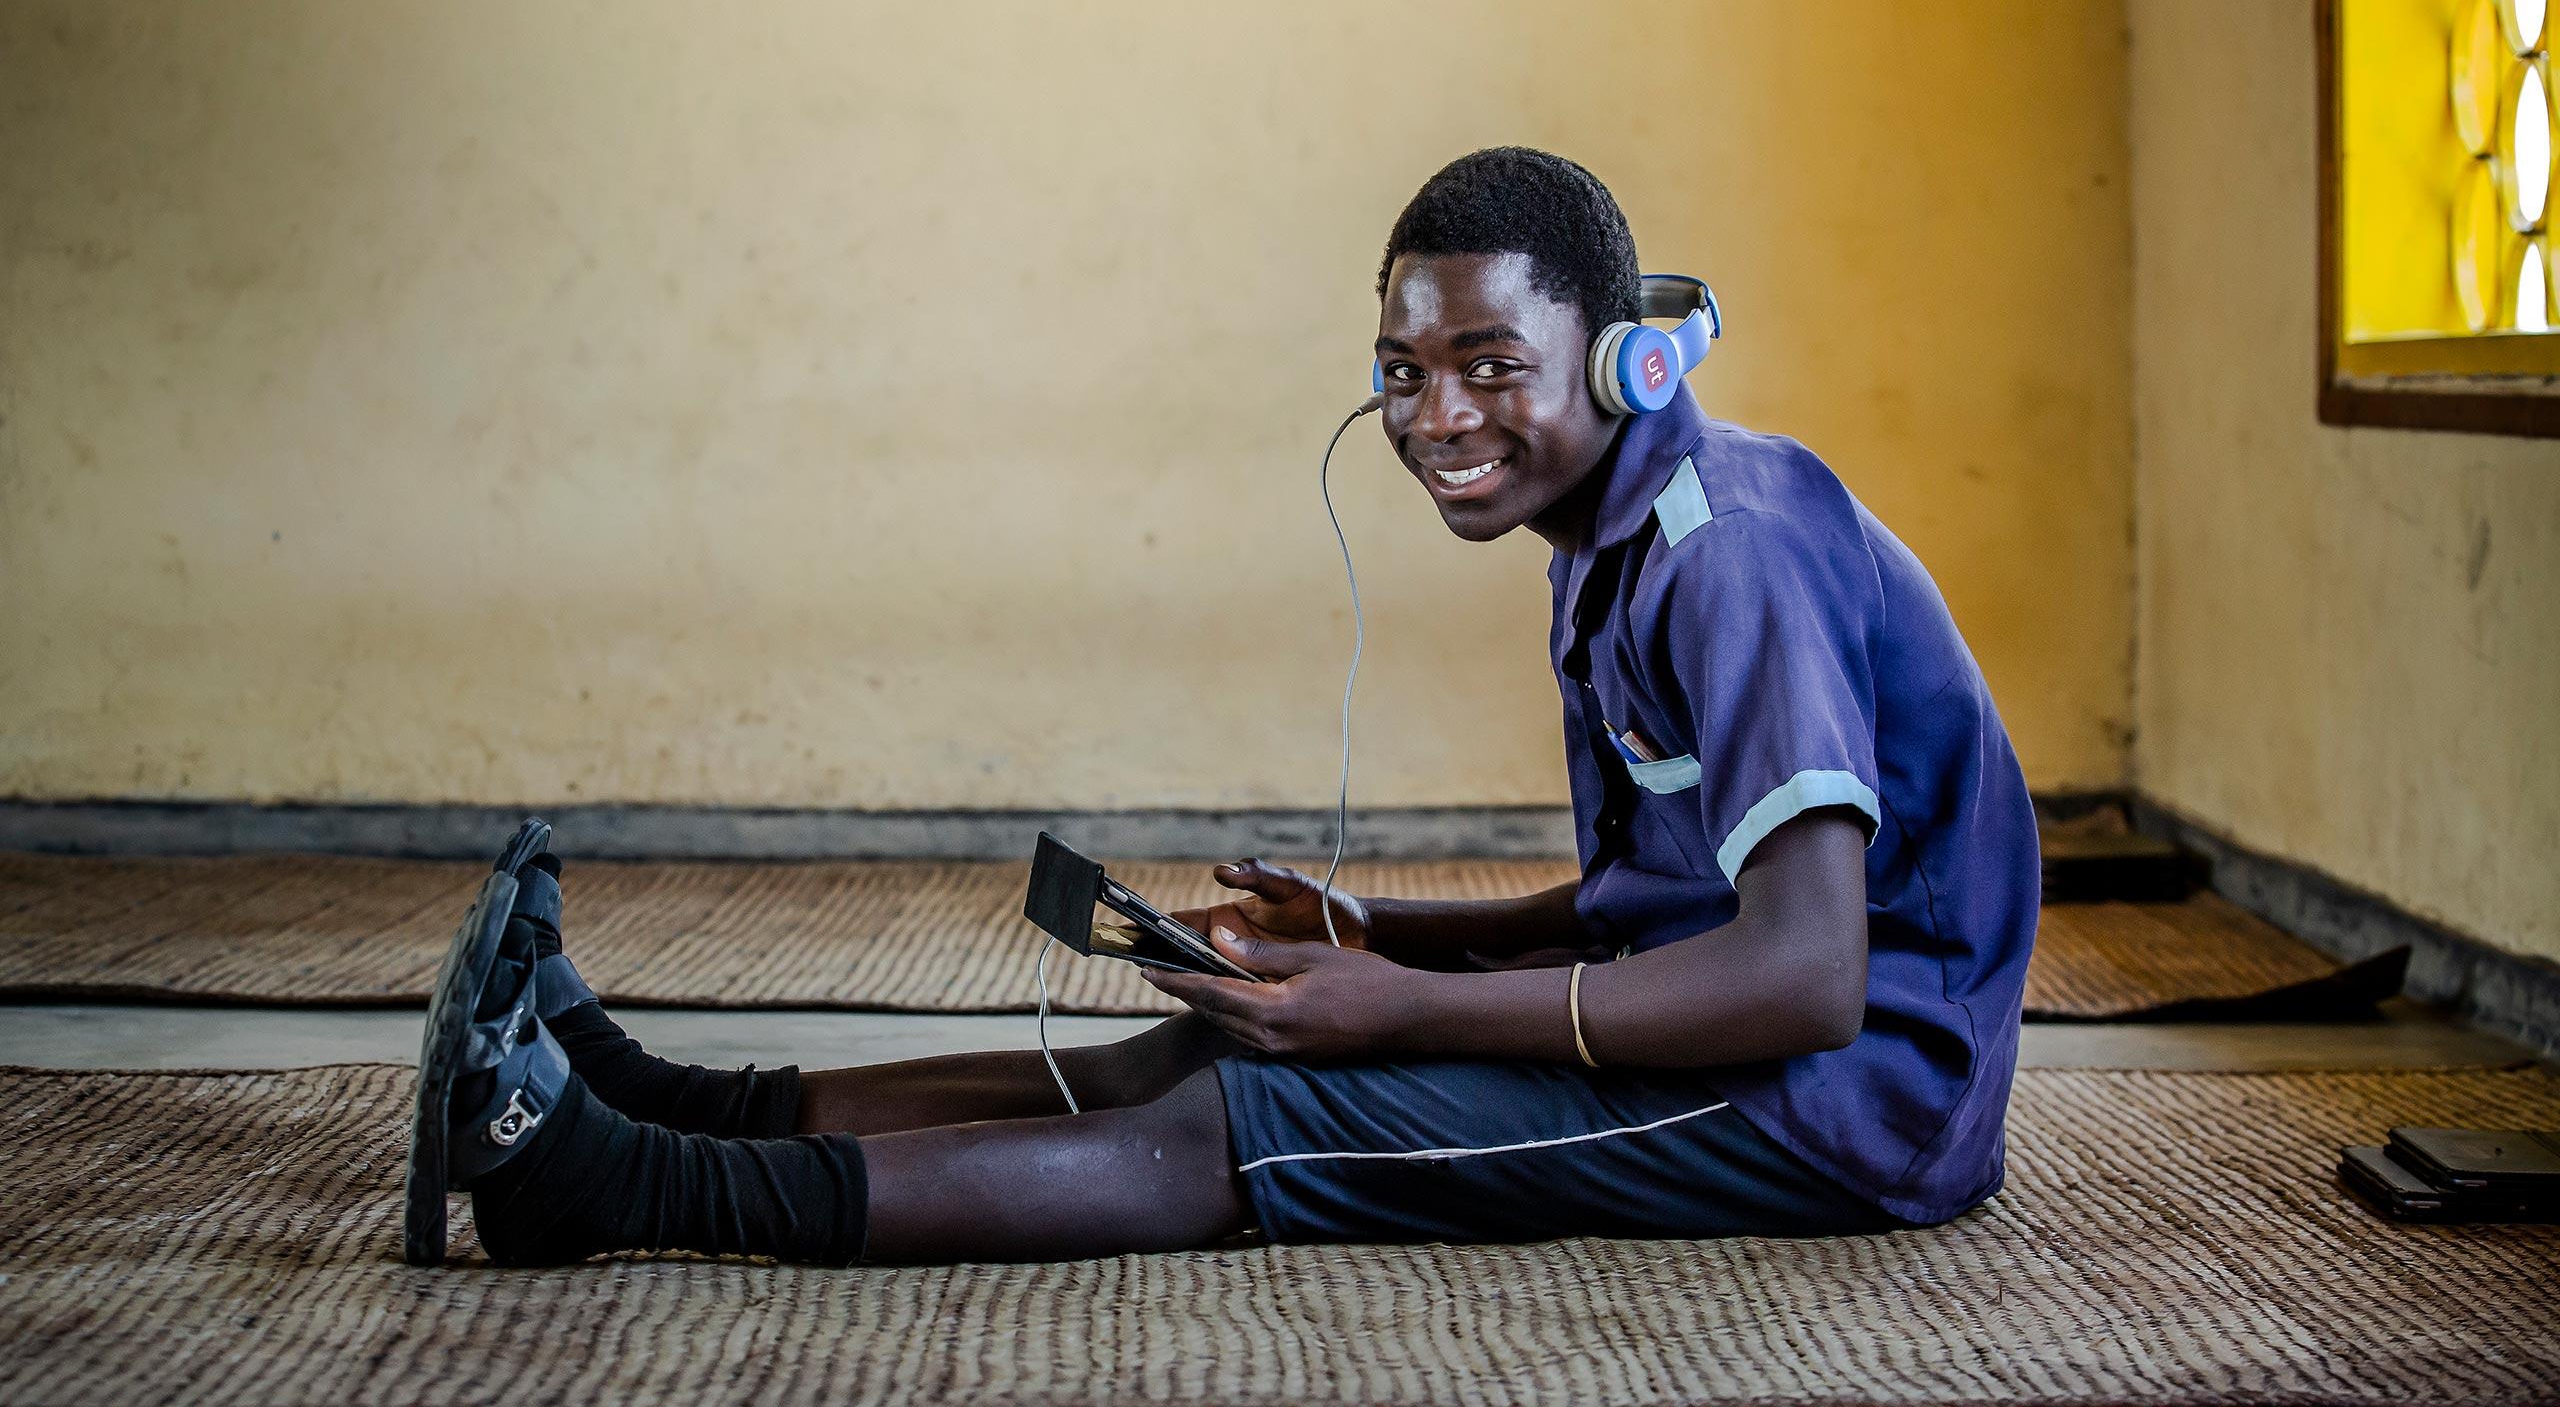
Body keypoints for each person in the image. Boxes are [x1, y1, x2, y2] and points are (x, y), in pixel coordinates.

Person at [431, 146, 2039, 1267]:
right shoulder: (1608, 534)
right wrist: (1383, 931)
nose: (1437, 416)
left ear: (1623, 364)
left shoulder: (1725, 555)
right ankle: (657, 1104)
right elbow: (1666, 906)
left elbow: (1810, 973)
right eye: (1403, 371)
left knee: (1244, 1119)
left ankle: (610, 1187)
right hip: (1753, 1029)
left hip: (1842, 1105)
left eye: (1489, 364)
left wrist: (1399, 1010)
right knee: (1164, 1055)